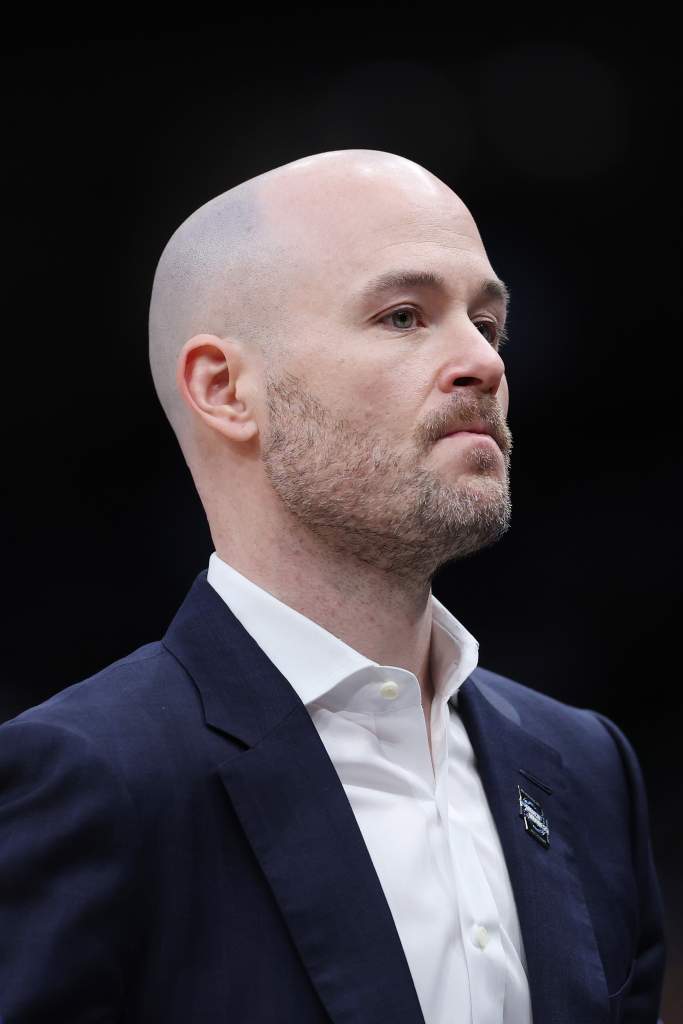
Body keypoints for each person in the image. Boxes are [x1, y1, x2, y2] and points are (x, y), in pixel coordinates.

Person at [0, 150, 665, 1023]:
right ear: (227, 389)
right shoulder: (88, 780)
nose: (483, 362)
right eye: (402, 316)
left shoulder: (585, 767)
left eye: (488, 324)